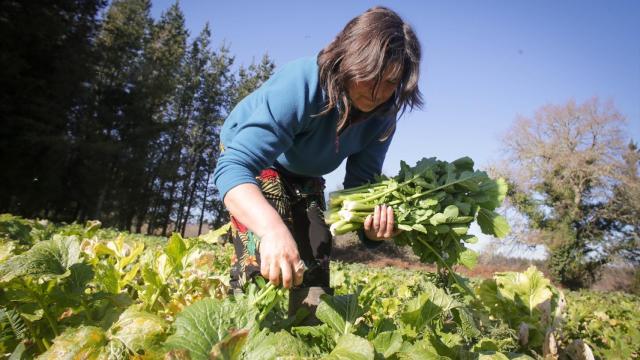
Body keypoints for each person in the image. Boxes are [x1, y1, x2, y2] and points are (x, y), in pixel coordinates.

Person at [212, 6, 422, 323]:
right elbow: (234, 168)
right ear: (348, 60)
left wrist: (373, 231)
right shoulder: (303, 82)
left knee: (315, 260)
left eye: (391, 82)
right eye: (370, 77)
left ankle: (305, 335)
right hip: (255, 158)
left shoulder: (383, 117)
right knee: (263, 256)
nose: (377, 93)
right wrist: (271, 229)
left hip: (305, 171)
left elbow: (358, 188)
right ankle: (239, 325)